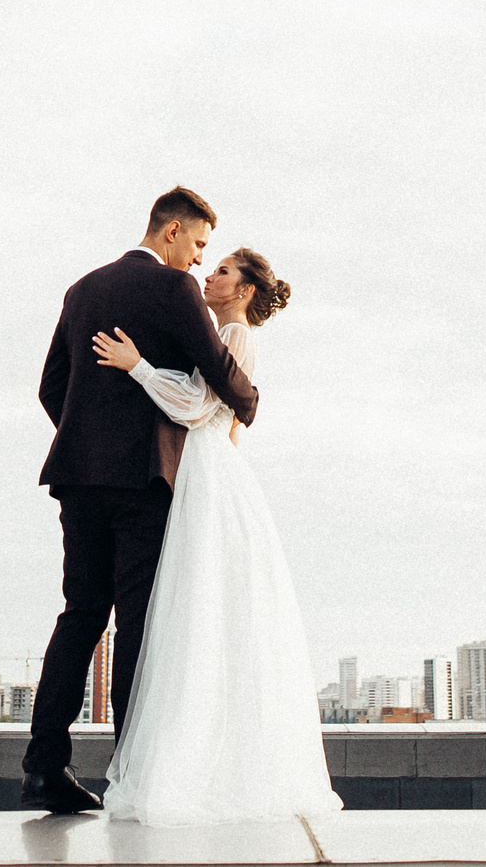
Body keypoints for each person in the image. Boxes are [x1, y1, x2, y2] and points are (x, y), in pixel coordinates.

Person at [22, 186, 258, 815]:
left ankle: (45, 767)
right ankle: (128, 772)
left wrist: (89, 438)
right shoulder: (173, 291)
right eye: (200, 245)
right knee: (137, 624)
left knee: (79, 615)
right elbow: (214, 365)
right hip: (142, 482)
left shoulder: (82, 289)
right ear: (173, 231)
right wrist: (250, 400)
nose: (200, 262)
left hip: (78, 478)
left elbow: (52, 388)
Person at [89, 245, 343, 824]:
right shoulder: (222, 334)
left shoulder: (236, 336)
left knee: (196, 605)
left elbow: (199, 407)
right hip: (205, 471)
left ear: (245, 290)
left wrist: (138, 366)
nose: (210, 273)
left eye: (224, 270)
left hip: (206, 473)